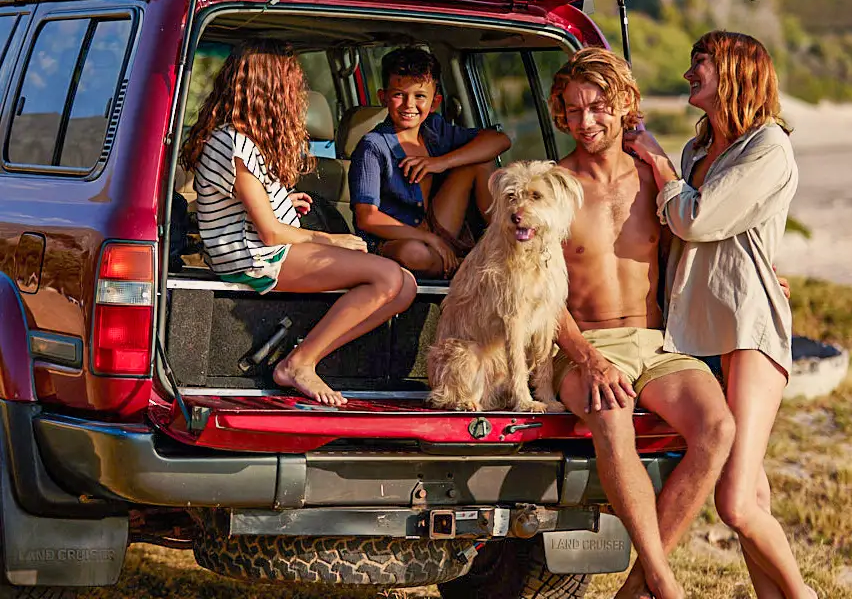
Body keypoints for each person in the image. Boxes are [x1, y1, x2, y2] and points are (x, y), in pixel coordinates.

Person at [626, 31, 814, 599]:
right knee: (751, 498)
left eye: (700, 63)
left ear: (734, 71)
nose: (689, 73)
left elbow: (697, 219)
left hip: (748, 326)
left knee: (734, 503)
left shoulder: (768, 147)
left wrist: (659, 164)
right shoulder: (698, 149)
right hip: (694, 332)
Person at [549, 47, 736, 599]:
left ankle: (635, 586)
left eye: (598, 106)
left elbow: (698, 243)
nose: (585, 121)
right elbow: (540, 293)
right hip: (582, 344)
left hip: (655, 342)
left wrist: (763, 273)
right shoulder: (554, 187)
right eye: (573, 109)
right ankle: (661, 579)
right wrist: (588, 358)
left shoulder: (655, 178)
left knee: (718, 428)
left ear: (625, 103)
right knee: (613, 415)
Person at [181, 39, 416, 407]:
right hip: (255, 256)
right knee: (387, 276)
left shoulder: (242, 139)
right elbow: (270, 232)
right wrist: (330, 240)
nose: (299, 94)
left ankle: (310, 354)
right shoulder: (234, 142)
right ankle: (299, 363)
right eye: (292, 84)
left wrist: (281, 200)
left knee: (406, 287)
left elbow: (246, 202)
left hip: (261, 246)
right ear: (270, 90)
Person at [350, 47, 511, 278]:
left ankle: (506, 246)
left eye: (419, 96)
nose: (409, 105)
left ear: (435, 102)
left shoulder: (434, 130)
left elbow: (500, 140)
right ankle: (468, 269)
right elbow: (366, 218)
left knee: (480, 161)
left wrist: (441, 162)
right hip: (395, 240)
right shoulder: (373, 146)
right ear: (383, 97)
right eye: (399, 95)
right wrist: (428, 238)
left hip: (440, 225)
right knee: (414, 253)